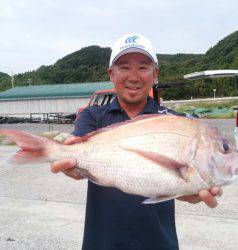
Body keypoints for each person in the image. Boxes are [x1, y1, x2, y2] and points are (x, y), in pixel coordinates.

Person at [51, 33, 222, 250]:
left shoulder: (173, 122)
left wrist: (187, 191)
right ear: (111, 74)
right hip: (101, 243)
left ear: (155, 74)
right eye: (124, 67)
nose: (133, 76)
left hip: (158, 243)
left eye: (142, 67)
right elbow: (76, 154)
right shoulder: (92, 116)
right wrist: (71, 164)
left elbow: (177, 180)